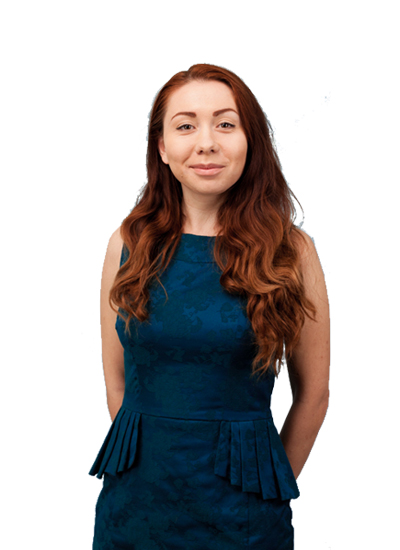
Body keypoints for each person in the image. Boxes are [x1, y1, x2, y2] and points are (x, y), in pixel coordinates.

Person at [89, 63, 330, 549]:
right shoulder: (127, 243)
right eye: (185, 126)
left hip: (245, 514)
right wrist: (154, 461)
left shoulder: (292, 251)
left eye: (225, 123)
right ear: (162, 147)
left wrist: (268, 488)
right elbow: (117, 383)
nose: (206, 143)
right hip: (135, 508)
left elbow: (314, 395)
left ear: (250, 141)